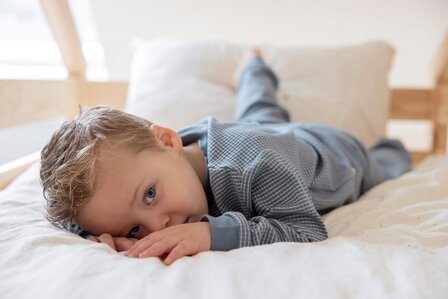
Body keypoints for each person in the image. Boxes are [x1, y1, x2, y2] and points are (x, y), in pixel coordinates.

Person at [40, 49, 412, 265]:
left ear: (168, 140)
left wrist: (212, 233)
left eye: (150, 195)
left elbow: (307, 230)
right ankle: (252, 68)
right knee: (261, 112)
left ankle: (390, 148)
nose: (159, 227)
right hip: (259, 133)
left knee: (384, 164)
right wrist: (92, 233)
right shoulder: (149, 168)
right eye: (135, 231)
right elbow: (99, 207)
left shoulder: (259, 165)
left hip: (332, 153)